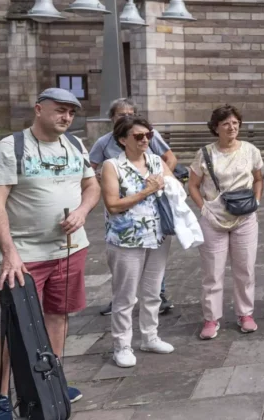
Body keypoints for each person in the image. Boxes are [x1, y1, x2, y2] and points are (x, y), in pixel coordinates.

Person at [0, 88, 101, 416]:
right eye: (59, 110)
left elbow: (91, 186)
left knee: (57, 316)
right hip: (24, 256)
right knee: (16, 327)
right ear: (39, 109)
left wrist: (82, 211)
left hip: (70, 250)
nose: (66, 117)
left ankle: (50, 382)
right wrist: (9, 253)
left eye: (71, 112)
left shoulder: (75, 145)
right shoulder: (11, 148)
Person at [90, 98, 178, 316]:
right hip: (124, 221)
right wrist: (102, 181)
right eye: (121, 114)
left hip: (153, 217)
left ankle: (160, 296)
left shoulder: (150, 142)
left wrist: (161, 180)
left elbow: (168, 160)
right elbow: (90, 170)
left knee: (153, 269)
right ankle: (121, 314)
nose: (145, 139)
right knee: (125, 281)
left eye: (131, 113)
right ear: (112, 119)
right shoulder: (106, 147)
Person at [101, 116, 175, 367]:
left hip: (157, 235)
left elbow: (172, 187)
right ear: (123, 140)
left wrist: (167, 186)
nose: (145, 140)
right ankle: (121, 345)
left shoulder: (155, 160)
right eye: (138, 136)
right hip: (126, 238)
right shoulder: (112, 166)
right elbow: (112, 205)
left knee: (153, 291)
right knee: (125, 295)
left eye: (148, 135)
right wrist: (146, 191)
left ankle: (150, 336)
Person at [188, 105, 264, 340]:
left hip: (245, 217)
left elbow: (259, 179)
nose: (232, 128)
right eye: (226, 124)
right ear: (216, 128)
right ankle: (211, 318)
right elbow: (192, 184)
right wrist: (204, 208)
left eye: (235, 123)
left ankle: (245, 313)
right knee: (213, 271)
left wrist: (257, 201)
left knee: (245, 268)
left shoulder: (250, 150)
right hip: (214, 218)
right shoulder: (206, 153)